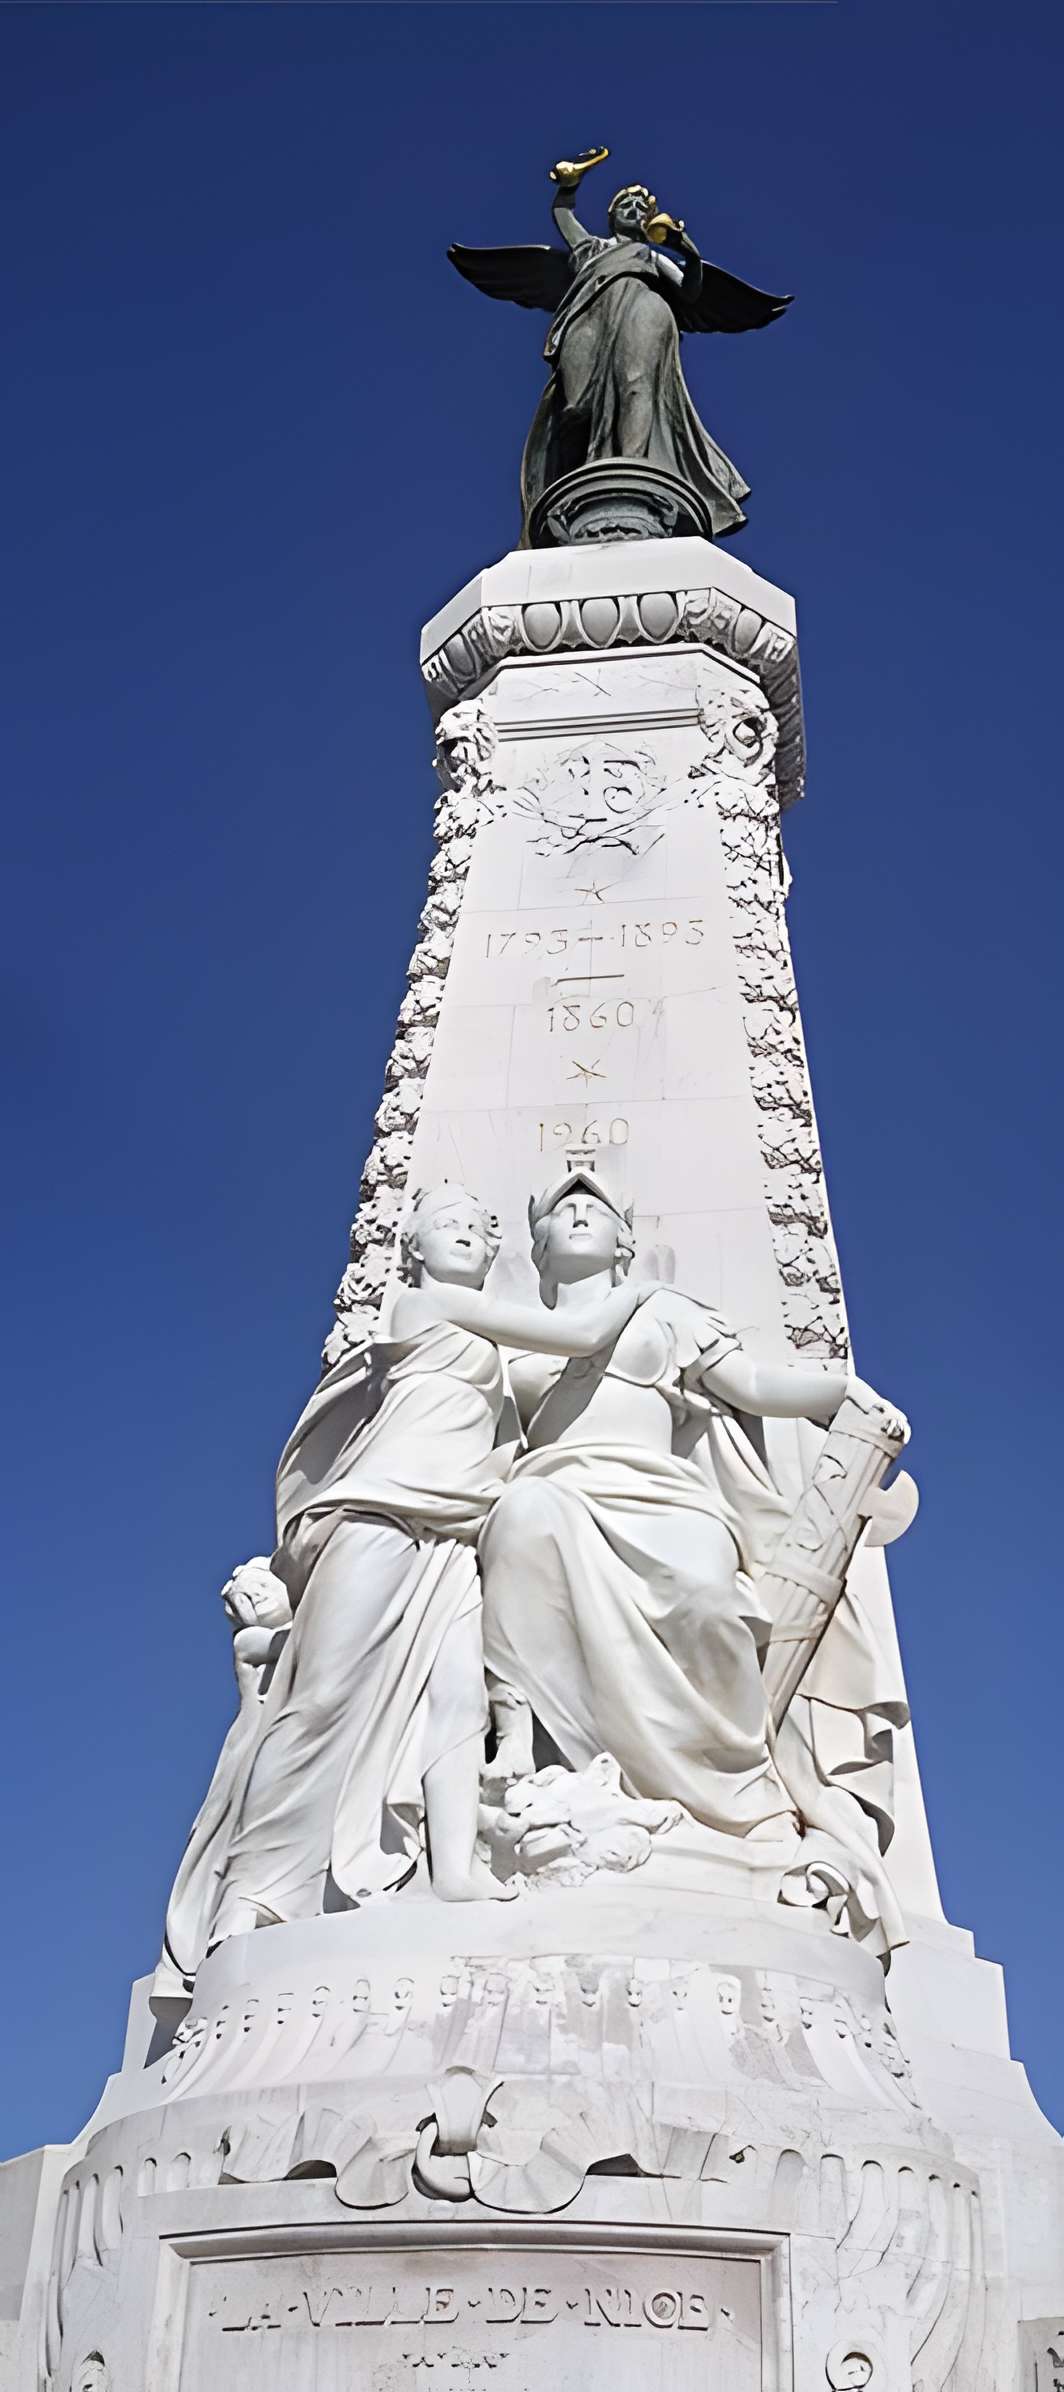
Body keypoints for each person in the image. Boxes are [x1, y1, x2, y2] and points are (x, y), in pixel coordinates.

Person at [191, 1184, 644, 1953]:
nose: (464, 1232)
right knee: (321, 1695)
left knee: (459, 1697)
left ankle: (454, 1867)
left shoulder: (491, 1353)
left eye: (476, 1224)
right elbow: (583, 1331)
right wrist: (650, 1291)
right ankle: (256, 1892)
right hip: (381, 1513)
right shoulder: (423, 1309)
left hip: (458, 1534)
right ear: (414, 1250)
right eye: (445, 1224)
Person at [479, 1169, 907, 1934]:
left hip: (666, 1497)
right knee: (520, 1517)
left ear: (625, 1244)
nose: (579, 1215)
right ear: (538, 1248)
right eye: (563, 1212)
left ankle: (738, 1795)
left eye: (595, 1210)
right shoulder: (510, 1344)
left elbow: (753, 1385)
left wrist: (841, 1391)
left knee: (711, 1598)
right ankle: (527, 1755)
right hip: (556, 1485)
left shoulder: (667, 1311)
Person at [449, 149, 791, 537]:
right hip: (590, 316)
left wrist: (687, 250)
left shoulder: (651, 256)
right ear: (611, 215)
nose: (632, 209)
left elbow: (691, 291)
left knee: (636, 384)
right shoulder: (591, 248)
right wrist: (569, 184)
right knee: (574, 404)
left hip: (644, 306)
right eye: (624, 203)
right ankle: (580, 480)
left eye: (639, 206)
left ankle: (632, 472)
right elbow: (564, 216)